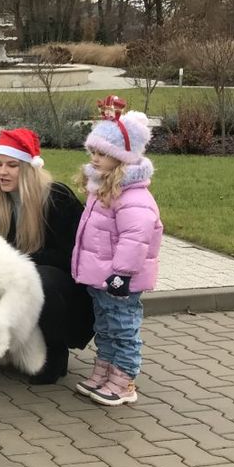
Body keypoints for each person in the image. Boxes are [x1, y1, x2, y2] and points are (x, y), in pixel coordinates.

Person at [0, 128, 94, 384]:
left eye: (11, 165)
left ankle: (55, 352)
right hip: (15, 284)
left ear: (28, 168)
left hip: (62, 288)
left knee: (38, 279)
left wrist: (21, 262)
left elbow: (74, 255)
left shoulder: (57, 200)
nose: (2, 172)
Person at [71, 109, 163, 406]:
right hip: (101, 277)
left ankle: (123, 381)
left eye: (103, 153)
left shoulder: (133, 196)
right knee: (106, 326)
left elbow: (135, 239)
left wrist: (122, 273)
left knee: (123, 328)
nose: (95, 158)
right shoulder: (102, 189)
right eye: (93, 151)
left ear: (123, 157)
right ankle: (104, 371)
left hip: (120, 279)